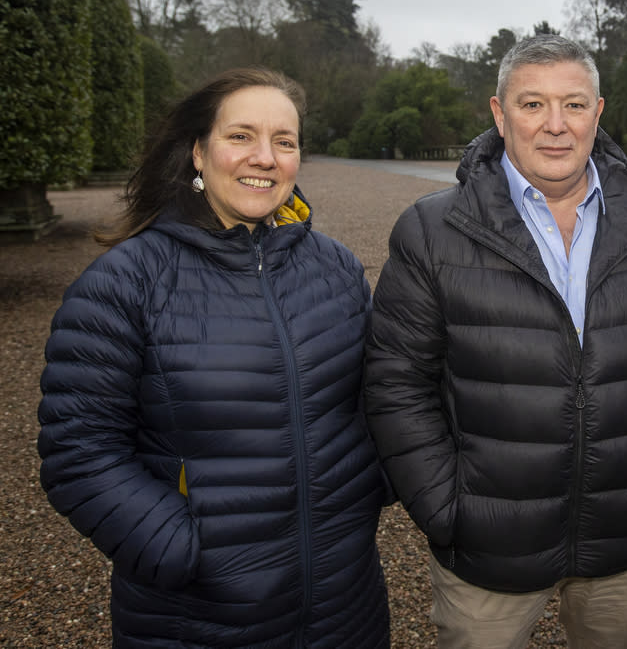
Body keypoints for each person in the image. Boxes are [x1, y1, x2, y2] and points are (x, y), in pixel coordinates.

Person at [364, 34, 627, 649]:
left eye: (573, 105)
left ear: (598, 114)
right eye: (531, 104)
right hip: (487, 540)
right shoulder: (432, 229)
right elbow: (395, 383)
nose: (555, 126)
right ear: (498, 113)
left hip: (619, 536)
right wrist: (447, 508)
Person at [38, 67, 390, 648]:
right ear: (198, 153)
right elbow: (79, 453)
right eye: (241, 136)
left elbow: (373, 399)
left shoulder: (336, 267)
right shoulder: (125, 282)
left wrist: (368, 491)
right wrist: (180, 551)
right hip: (199, 617)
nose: (265, 157)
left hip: (343, 605)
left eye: (284, 141)